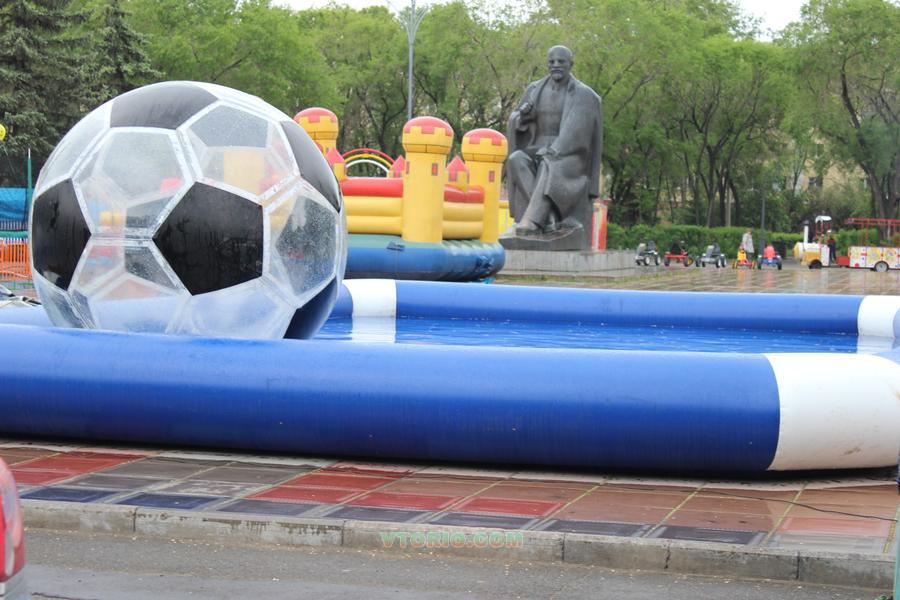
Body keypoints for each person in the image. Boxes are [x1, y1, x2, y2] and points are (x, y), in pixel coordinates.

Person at [506, 45, 603, 237]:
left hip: (570, 157)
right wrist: (522, 117)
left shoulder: (584, 94)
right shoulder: (534, 89)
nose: (556, 65)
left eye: (561, 61)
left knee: (549, 162)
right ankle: (548, 216)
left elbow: (577, 132)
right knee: (516, 159)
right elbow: (515, 120)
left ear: (570, 64)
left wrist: (555, 150)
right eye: (552, 61)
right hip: (537, 147)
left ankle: (532, 221)